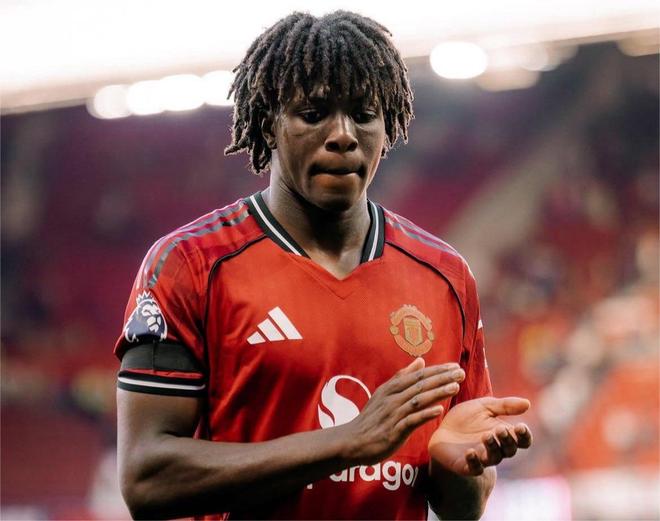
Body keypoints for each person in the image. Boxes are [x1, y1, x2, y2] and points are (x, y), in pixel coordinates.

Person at [115, 10, 532, 520]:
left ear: (389, 125)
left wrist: (456, 471)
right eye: (313, 114)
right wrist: (347, 442)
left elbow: (462, 510)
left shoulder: (445, 276)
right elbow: (147, 478)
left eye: (364, 113)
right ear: (268, 123)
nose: (343, 134)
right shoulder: (191, 265)